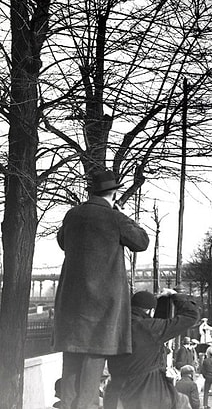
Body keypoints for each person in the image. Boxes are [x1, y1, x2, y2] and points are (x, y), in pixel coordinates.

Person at [53, 170, 150, 409]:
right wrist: (122, 214)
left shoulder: (72, 215)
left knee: (71, 362)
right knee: (92, 366)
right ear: (114, 192)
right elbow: (142, 242)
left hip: (72, 303)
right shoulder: (114, 217)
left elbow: (63, 242)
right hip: (103, 307)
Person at [104, 289, 199, 409]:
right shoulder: (151, 328)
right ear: (151, 311)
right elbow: (191, 316)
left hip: (117, 394)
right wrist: (174, 295)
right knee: (183, 402)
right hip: (149, 393)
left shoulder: (113, 328)